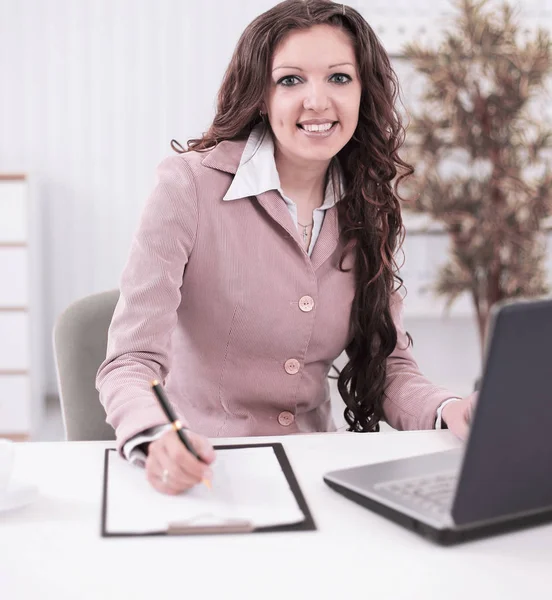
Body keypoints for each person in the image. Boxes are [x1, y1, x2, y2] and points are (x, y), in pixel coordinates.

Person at [96, 0, 476, 496]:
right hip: (205, 472)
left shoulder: (368, 201)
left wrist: (451, 410)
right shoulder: (187, 187)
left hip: (318, 473)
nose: (318, 101)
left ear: (364, 91)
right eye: (291, 80)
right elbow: (130, 362)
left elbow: (386, 364)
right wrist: (155, 434)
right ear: (260, 95)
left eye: (339, 78)